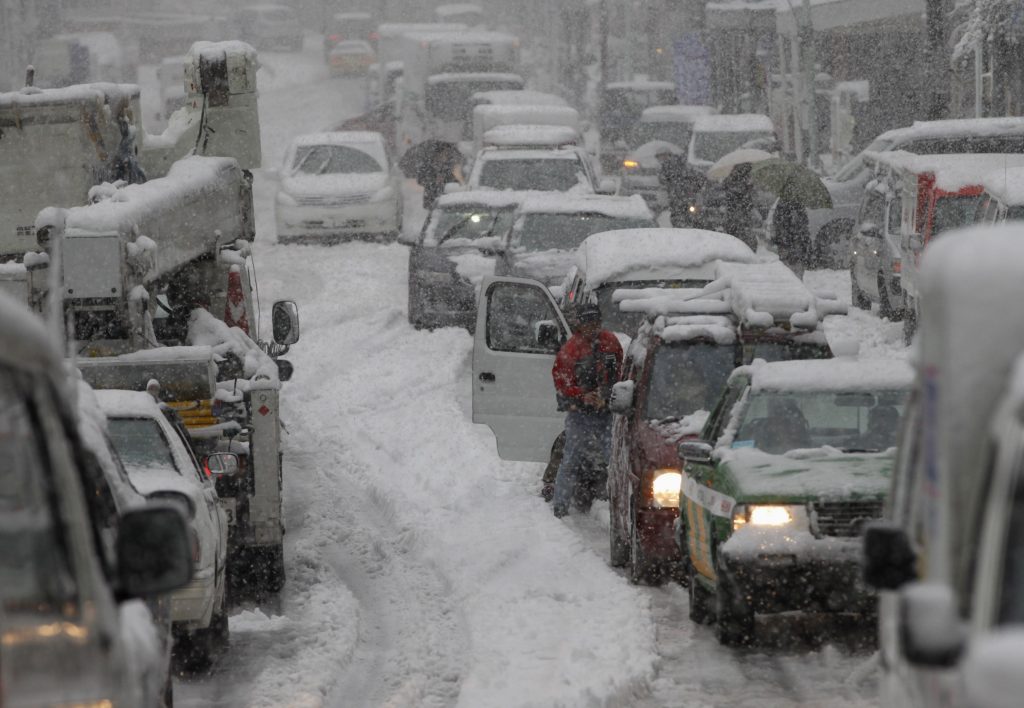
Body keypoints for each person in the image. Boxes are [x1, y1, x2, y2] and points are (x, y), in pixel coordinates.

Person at [550, 303, 623, 517]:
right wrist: (583, 396)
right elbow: (561, 382)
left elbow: (620, 372)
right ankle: (560, 506)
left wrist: (606, 394)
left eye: (595, 322)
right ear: (580, 324)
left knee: (615, 458)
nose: (592, 327)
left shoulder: (611, 342)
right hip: (580, 414)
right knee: (571, 458)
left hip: (607, 412)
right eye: (587, 322)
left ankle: (616, 507)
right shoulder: (570, 350)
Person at [656, 149, 705, 227]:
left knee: (678, 212)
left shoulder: (669, 166)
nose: (661, 159)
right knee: (685, 212)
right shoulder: (685, 167)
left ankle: (680, 226)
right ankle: (685, 225)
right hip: (684, 196)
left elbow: (663, 180)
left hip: (678, 196)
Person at [720, 162, 759, 251]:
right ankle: (745, 250)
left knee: (732, 233)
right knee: (742, 232)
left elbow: (725, 190)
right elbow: (747, 200)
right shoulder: (745, 180)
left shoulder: (731, 179)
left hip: (733, 212)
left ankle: (734, 249)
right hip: (740, 212)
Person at [772, 198, 812, 278]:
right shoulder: (798, 205)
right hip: (793, 241)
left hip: (790, 241)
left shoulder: (782, 205)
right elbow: (804, 224)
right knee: (793, 268)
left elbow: (777, 222)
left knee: (788, 268)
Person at [416, 141, 463, 209]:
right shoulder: (427, 167)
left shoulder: (446, 167)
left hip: (445, 201)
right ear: (437, 154)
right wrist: (433, 181)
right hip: (431, 200)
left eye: (446, 154)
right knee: (433, 217)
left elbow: (453, 182)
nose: (445, 156)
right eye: (443, 154)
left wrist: (448, 181)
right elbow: (420, 180)